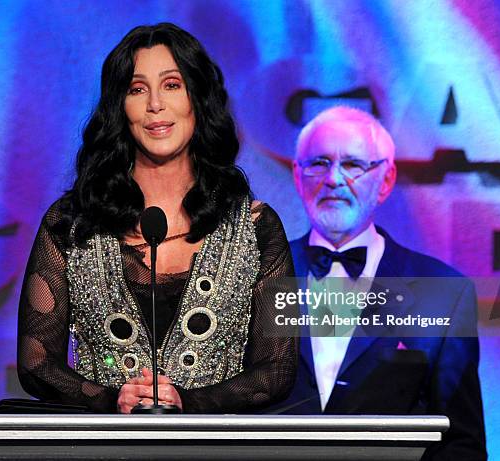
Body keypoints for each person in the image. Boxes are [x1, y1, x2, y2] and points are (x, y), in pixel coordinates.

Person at [16, 23, 297, 414]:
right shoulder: (70, 225)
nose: (154, 105)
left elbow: (277, 370)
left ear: (197, 98)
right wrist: (113, 399)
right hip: (103, 450)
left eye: (171, 85)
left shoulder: (256, 227)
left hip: (212, 450)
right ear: (119, 108)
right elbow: (36, 364)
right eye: (136, 89)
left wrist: (188, 402)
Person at [274, 106, 486, 459]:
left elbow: (461, 443)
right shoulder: (256, 276)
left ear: (386, 181)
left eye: (353, 165)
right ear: (297, 176)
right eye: (319, 163)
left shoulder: (443, 292)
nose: (334, 179)